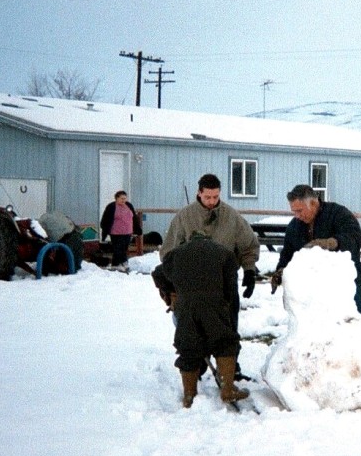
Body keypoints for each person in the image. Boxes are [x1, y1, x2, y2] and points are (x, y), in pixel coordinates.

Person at [159, 173, 260, 379]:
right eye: (208, 197)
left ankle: (231, 368)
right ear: (199, 193)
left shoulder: (231, 216)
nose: (212, 202)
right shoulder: (185, 217)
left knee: (228, 325)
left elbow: (248, 244)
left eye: (216, 197)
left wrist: (249, 270)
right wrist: (171, 284)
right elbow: (169, 252)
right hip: (192, 284)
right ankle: (196, 365)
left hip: (224, 282)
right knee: (191, 326)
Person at [152, 233, 249, 407]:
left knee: (188, 347)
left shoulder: (175, 254)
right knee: (225, 342)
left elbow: (158, 273)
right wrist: (229, 316)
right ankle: (227, 389)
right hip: (215, 305)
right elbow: (231, 290)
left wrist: (170, 296)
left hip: (186, 308)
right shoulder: (224, 253)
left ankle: (189, 396)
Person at [270, 184, 361, 315]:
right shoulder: (294, 227)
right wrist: (280, 272)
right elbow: (287, 254)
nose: (297, 216)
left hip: (347, 281)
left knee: (355, 319)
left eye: (300, 211)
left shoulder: (337, 213)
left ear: (313, 203)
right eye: (294, 212)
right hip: (314, 287)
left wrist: (331, 243)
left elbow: (354, 237)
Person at [100, 190, 142, 272]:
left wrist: (137, 229)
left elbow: (134, 218)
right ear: (117, 198)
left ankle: (119, 263)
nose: (123, 200)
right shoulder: (111, 206)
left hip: (128, 231)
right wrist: (105, 229)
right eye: (122, 198)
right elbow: (105, 219)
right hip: (116, 232)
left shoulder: (129, 205)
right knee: (118, 248)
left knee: (124, 248)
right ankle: (119, 263)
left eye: (125, 198)